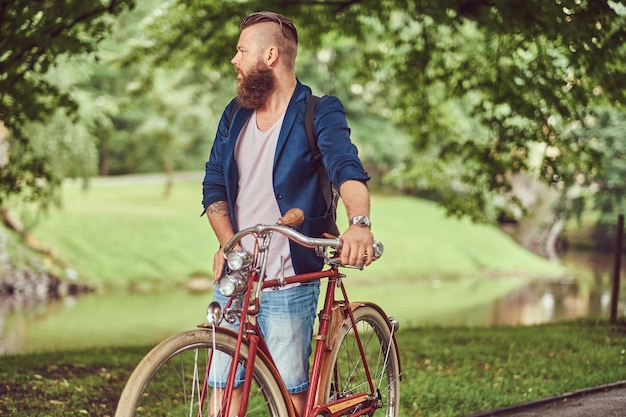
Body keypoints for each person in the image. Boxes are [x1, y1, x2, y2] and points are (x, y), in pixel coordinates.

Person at [201, 11, 375, 415]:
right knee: (222, 386)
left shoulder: (319, 111)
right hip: (239, 273)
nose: (234, 59)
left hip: (290, 274)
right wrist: (228, 244)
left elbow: (344, 165)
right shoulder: (236, 112)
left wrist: (359, 224)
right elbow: (214, 183)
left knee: (290, 394)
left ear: (271, 55)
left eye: (242, 50)